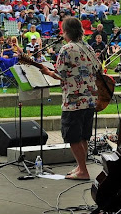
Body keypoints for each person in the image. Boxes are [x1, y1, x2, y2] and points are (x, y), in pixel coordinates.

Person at [40, 17, 100, 180]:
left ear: (65, 31)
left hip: (74, 100)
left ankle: (83, 170)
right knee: (83, 135)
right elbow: (98, 67)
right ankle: (81, 166)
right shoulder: (87, 46)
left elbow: (60, 74)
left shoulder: (67, 48)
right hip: (90, 98)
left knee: (72, 135)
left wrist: (47, 71)